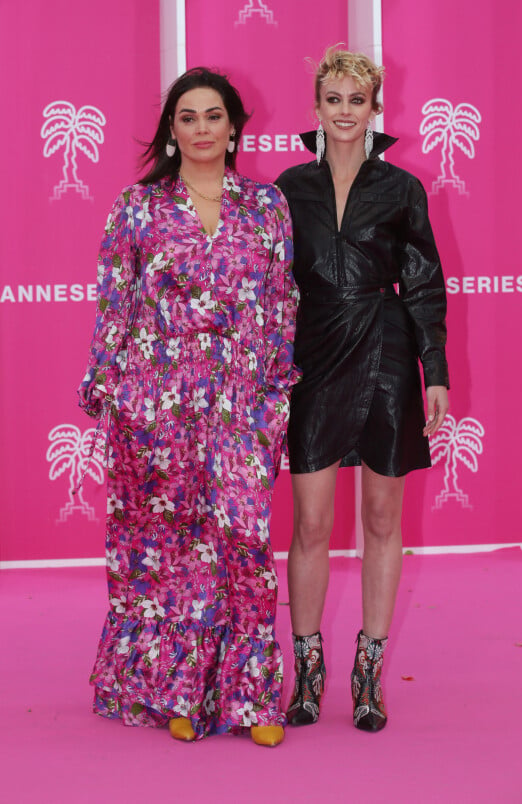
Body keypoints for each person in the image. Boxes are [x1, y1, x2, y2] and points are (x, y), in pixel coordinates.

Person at [78, 67, 300, 747]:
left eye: (213, 116)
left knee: (242, 543)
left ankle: (253, 697)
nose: (201, 129)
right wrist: (107, 385)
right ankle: (180, 689)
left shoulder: (267, 207)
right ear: (171, 133)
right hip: (156, 402)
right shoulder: (137, 208)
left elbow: (283, 302)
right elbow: (114, 301)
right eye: (187, 118)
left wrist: (273, 395)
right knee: (172, 550)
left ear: (234, 125)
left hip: (239, 402)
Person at [275, 47, 449, 732]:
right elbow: (268, 287)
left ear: (375, 108)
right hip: (313, 354)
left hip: (383, 349)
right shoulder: (287, 189)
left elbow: (425, 284)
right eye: (334, 99)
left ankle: (368, 673)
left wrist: (433, 370)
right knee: (311, 522)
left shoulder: (401, 188)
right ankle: (308, 672)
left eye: (357, 100)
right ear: (316, 107)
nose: (345, 111)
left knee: (381, 518)